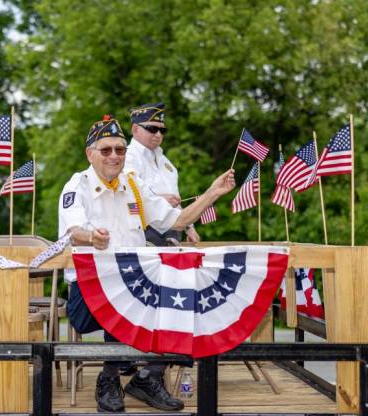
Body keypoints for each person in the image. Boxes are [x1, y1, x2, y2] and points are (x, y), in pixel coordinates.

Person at [58, 115, 235, 412]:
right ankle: (109, 379)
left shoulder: (132, 184)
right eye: (106, 150)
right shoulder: (78, 185)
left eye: (120, 149)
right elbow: (73, 231)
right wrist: (92, 237)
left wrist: (212, 193)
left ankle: (147, 377)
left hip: (133, 288)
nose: (115, 156)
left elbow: (176, 219)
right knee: (122, 288)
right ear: (90, 154)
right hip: (88, 295)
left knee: (182, 293)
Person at [125, 102, 200, 245]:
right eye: (152, 129)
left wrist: (189, 227)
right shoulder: (127, 158)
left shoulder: (166, 163)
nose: (158, 134)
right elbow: (129, 195)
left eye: (162, 130)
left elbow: (175, 199)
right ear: (135, 130)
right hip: (143, 233)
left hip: (172, 233)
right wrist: (160, 199)